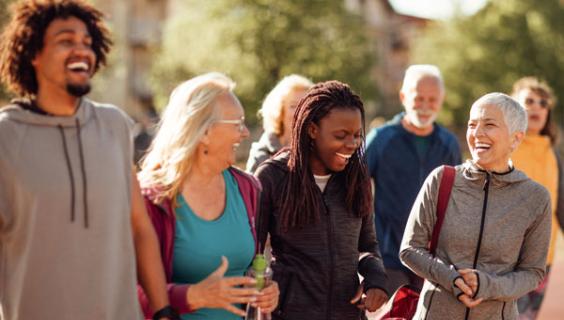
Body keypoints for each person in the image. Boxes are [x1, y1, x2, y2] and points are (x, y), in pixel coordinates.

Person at [0, 1, 171, 319]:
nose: (81, 50)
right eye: (66, 41)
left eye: (87, 43)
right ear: (33, 54)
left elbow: (139, 227)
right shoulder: (6, 136)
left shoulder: (115, 126)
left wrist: (163, 309)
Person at [137, 72, 279, 320]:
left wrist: (267, 289)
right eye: (238, 123)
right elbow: (129, 291)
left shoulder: (247, 188)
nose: (245, 133)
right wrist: (192, 296)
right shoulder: (152, 197)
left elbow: (252, 269)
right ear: (203, 131)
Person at [400, 93, 552, 320]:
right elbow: (410, 249)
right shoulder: (441, 179)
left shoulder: (536, 198)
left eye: (489, 125)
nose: (477, 133)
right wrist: (453, 280)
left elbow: (533, 273)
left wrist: (487, 285)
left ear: (516, 138)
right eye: (472, 125)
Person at [255, 80, 389, 320]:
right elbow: (252, 251)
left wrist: (376, 279)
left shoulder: (356, 179)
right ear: (312, 130)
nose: (351, 144)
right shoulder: (273, 177)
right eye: (341, 135)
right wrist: (267, 284)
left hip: (348, 314)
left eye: (357, 135)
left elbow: (367, 246)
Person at [365, 64, 461, 293]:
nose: (425, 106)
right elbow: (353, 186)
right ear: (403, 96)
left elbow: (460, 198)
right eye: (419, 98)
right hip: (389, 256)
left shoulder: (449, 144)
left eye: (432, 99)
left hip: (434, 259)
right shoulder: (381, 139)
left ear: (442, 99)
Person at [510, 77, 564, 319]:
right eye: (529, 101)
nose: (537, 107)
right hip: (506, 255)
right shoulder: (505, 147)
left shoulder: (554, 154)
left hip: (545, 256)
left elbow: (561, 206)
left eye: (543, 103)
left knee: (529, 316)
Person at [246, 74, 313, 173]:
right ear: (280, 110)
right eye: (293, 106)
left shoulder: (320, 150)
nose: (300, 111)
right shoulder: (261, 154)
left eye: (305, 106)